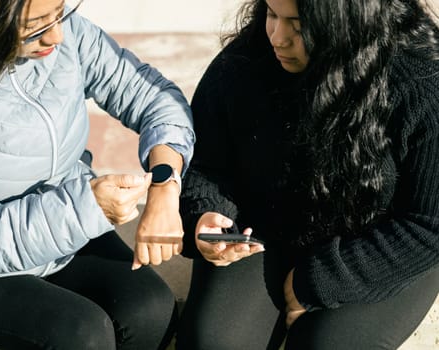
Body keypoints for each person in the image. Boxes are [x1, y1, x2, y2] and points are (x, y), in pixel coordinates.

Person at [0, 0, 194, 349]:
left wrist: (165, 184)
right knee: (81, 334)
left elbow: (155, 98)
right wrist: (90, 209)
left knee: (150, 308)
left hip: (66, 237)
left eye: (60, 13)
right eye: (37, 24)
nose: (57, 36)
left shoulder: (69, 33)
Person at [176, 0, 439, 349]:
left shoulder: (422, 81)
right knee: (212, 342)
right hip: (267, 229)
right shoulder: (243, 63)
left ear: (349, 23)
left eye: (298, 25)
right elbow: (204, 162)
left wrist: (317, 281)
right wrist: (207, 211)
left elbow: (428, 223)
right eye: (271, 14)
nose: (277, 38)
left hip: (382, 242)